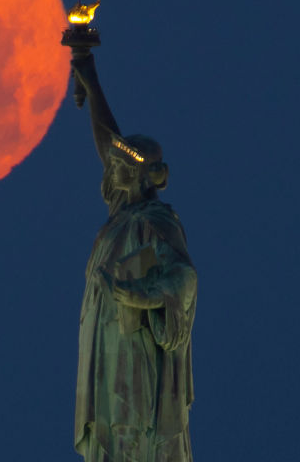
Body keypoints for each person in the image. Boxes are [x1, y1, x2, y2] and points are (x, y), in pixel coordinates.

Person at [71, 52, 197, 462]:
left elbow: (184, 275)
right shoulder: (121, 218)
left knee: (129, 432)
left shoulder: (155, 220)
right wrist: (90, 79)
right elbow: (108, 143)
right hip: (106, 346)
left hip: (135, 350)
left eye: (123, 166)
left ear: (143, 175)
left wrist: (139, 293)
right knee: (111, 434)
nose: (113, 169)